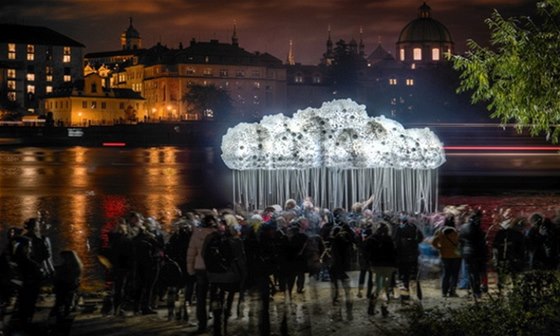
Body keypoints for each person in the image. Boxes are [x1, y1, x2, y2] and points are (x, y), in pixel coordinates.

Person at [186, 214, 218, 334]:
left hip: (200, 268)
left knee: (201, 297)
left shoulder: (196, 234)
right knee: (215, 296)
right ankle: (216, 319)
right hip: (215, 269)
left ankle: (202, 323)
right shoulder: (217, 234)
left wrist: (190, 270)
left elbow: (191, 253)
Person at [365, 222, 396, 317]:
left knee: (377, 287)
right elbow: (393, 253)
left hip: (375, 266)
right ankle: (384, 309)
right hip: (387, 266)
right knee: (386, 288)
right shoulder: (389, 239)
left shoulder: (371, 239)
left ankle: (371, 307)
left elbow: (366, 252)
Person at [393, 214, 423, 300]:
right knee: (413, 276)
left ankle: (404, 294)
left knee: (403, 276)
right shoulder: (415, 228)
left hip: (402, 257)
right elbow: (420, 238)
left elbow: (396, 242)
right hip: (413, 256)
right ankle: (416, 294)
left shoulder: (399, 229)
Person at [459, 211, 487, 300]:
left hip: (466, 252)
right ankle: (477, 291)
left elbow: (460, 240)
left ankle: (470, 289)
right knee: (476, 273)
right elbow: (480, 242)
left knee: (470, 272)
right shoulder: (476, 228)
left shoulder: (462, 227)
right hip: (476, 252)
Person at [492, 217, 526, 292]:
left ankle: (502, 292)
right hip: (511, 259)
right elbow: (522, 249)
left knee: (504, 277)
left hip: (504, 259)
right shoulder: (517, 234)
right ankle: (513, 291)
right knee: (513, 277)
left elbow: (495, 247)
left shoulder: (500, 233)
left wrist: (495, 258)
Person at [432, 216, 461, 298]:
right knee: (454, 275)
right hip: (456, 255)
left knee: (446, 274)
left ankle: (444, 292)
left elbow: (433, 242)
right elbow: (459, 242)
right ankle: (452, 291)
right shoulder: (456, 231)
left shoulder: (440, 231)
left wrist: (440, 248)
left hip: (444, 255)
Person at [50, 250, 83, 321]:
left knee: (60, 300)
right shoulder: (76, 265)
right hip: (70, 285)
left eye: (63, 257)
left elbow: (64, 275)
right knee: (65, 301)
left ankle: (58, 315)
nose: (62, 259)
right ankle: (63, 313)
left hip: (66, 285)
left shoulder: (69, 266)